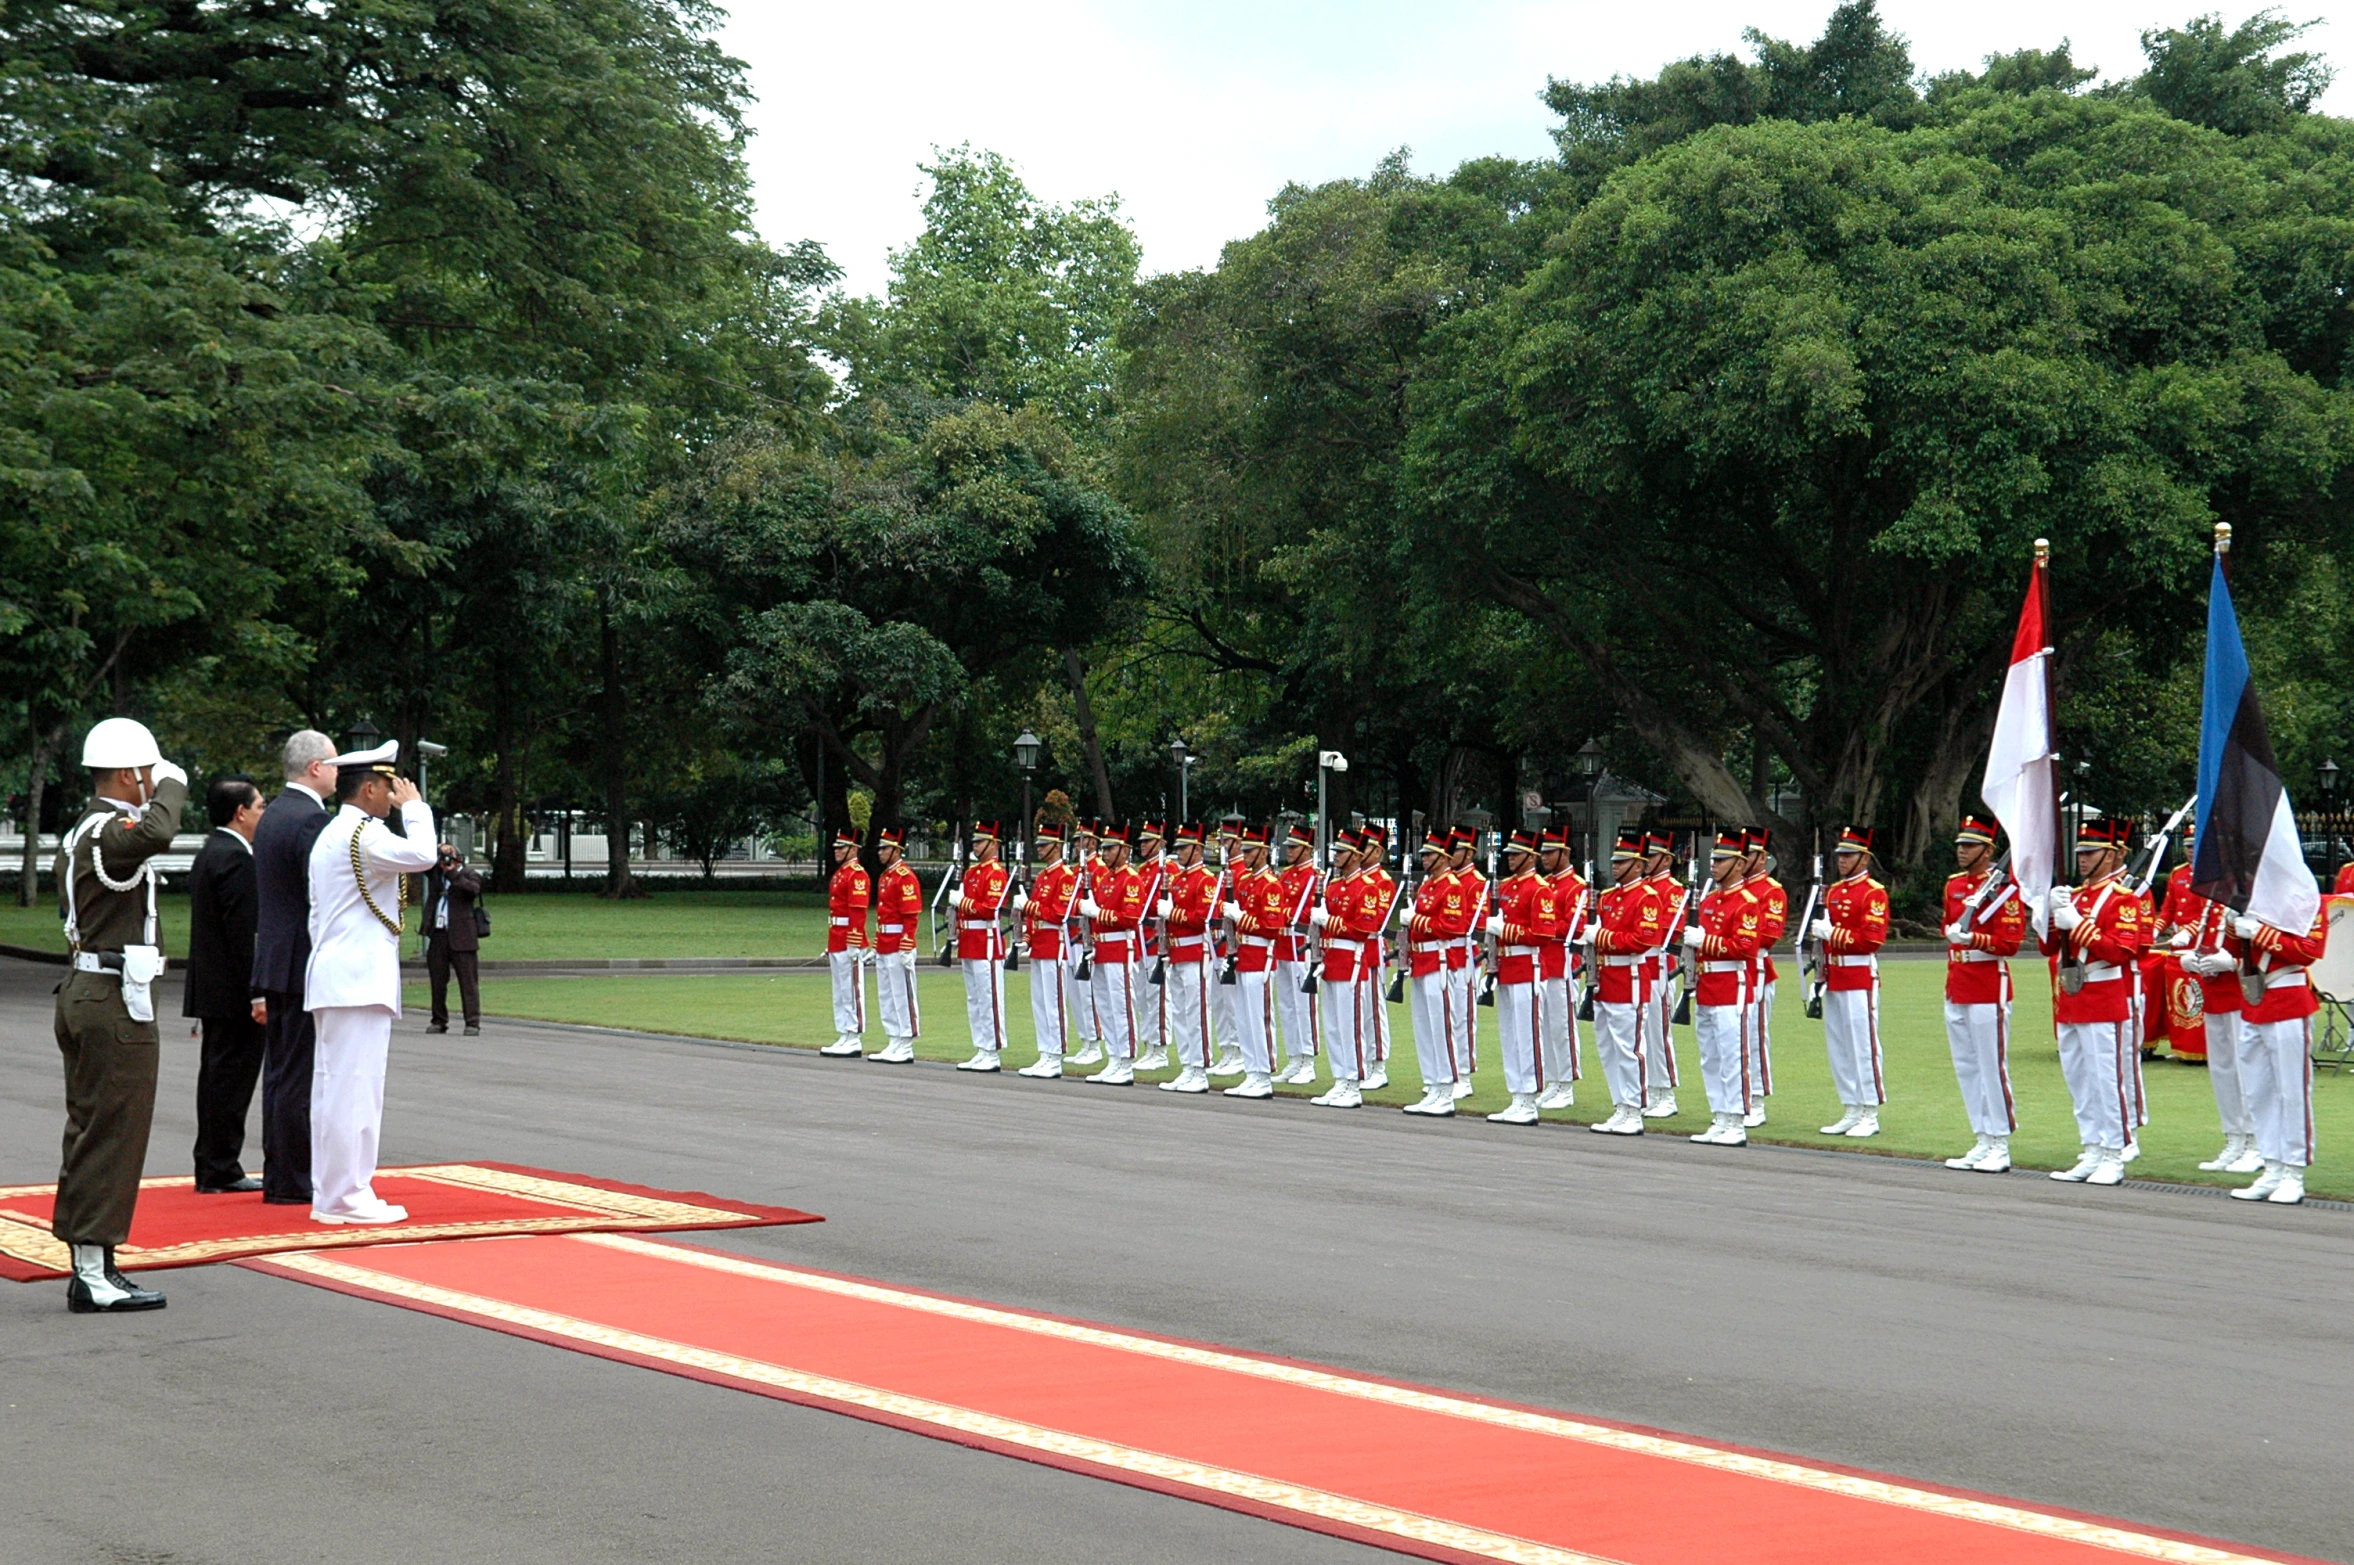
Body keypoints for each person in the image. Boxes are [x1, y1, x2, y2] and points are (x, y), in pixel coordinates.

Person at [51, 717, 187, 1312]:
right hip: (111, 1002)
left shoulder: (86, 828)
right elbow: (158, 831)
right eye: (148, 773)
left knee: (91, 1131)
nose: (151, 783)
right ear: (132, 772)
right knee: (113, 1134)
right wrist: (173, 781)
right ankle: (92, 1269)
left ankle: (92, 1262)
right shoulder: (110, 830)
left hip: (89, 990)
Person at [304, 740, 437, 1224]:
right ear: (368, 787)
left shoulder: (339, 833)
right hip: (354, 980)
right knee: (352, 1090)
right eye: (388, 788)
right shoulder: (362, 833)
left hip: (343, 978)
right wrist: (418, 808)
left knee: (342, 1089)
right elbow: (422, 854)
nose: (393, 798)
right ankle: (345, 1196)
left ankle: (338, 1191)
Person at [251, 729, 335, 1206]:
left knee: (280, 1072)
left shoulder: (276, 814)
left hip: (276, 955)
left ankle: (280, 1172)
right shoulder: (309, 820)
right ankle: (294, 1178)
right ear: (315, 768)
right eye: (335, 763)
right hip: (301, 955)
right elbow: (320, 894)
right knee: (299, 1074)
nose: (338, 772)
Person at [2041, 818, 2149, 1186]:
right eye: (2080, 853)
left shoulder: (2123, 899)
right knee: (2079, 1080)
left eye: (2090, 853)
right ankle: (2091, 1148)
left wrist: (2078, 924)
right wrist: (2050, 914)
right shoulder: (2075, 894)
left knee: (2107, 1080)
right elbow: (2047, 948)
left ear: (2110, 855)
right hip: (2071, 998)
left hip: (2103, 995)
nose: (2083, 859)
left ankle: (2114, 1153)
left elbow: (2122, 950)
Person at [2157, 825, 2259, 1173]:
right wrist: (2193, 954)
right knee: (2222, 1069)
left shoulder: (2250, 886)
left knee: (2247, 1069)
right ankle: (2234, 1137)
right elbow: (2204, 929)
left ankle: (2256, 1140)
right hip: (2215, 989)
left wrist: (2234, 961)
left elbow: (2266, 940)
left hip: (2241, 990)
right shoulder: (2216, 890)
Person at [184, 775, 267, 1194]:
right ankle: (221, 1165)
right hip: (235, 993)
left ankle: (213, 1162)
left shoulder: (211, 853)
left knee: (217, 1078)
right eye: (259, 807)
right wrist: (258, 992)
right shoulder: (236, 859)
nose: (262, 814)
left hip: (215, 988)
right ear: (240, 812)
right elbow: (244, 933)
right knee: (230, 1082)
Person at [2220, 895, 2325, 1205]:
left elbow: (2309, 951)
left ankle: (2294, 1172)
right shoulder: (2253, 900)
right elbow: (2233, 951)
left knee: (2292, 1092)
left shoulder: (2305, 899)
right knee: (2258, 1092)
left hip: (2289, 997)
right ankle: (2273, 1166)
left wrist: (2261, 933)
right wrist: (2230, 925)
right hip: (2254, 1002)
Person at [1939, 815, 2027, 1172]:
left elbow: (2010, 942)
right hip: (1958, 980)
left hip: (1988, 982)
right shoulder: (1955, 885)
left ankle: (2000, 1142)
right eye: (1960, 845)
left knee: (1992, 1066)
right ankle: (1982, 1137)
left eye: (1970, 846)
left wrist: (1973, 939)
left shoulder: (2005, 888)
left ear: (1988, 850)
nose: (1962, 851)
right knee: (1967, 1066)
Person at [1684, 829, 1764, 1146]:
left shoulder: (1746, 903)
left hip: (1732, 983)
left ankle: (1736, 1120)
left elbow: (1745, 947)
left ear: (1740, 864)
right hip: (1707, 984)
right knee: (1711, 1057)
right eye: (1713, 859)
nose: (1713, 865)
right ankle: (1720, 1115)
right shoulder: (1708, 901)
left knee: (1733, 1056)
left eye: (1721, 860)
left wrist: (1706, 941)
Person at [1812, 826, 1891, 1138]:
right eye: (1840, 855)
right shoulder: (1833, 891)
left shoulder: (1873, 892)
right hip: (1834, 974)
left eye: (1849, 855)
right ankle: (1851, 1106)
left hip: (1859, 975)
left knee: (1863, 1045)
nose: (1842, 860)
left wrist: (1832, 934)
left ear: (1864, 857)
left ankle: (1870, 1110)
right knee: (1839, 1047)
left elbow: (1871, 939)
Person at [1586, 828, 1663, 1135]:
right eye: (1615, 861)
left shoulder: (1647, 898)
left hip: (1628, 976)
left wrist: (1601, 936)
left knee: (1629, 1047)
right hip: (1605, 977)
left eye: (1623, 862)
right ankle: (1620, 1105)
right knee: (1608, 1047)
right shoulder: (1606, 897)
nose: (1615, 866)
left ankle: (1634, 1109)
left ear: (1640, 865)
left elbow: (1642, 940)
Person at [1484, 830, 1560, 1125]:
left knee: (1527, 1035)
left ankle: (1529, 1097)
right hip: (1505, 966)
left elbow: (1544, 933)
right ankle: (1516, 1094)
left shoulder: (1539, 889)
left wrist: (1505, 931)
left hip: (1528, 967)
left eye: (1516, 854)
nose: (1511, 859)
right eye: (1509, 855)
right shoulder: (1504, 887)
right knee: (1510, 1036)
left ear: (1532, 857)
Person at [1401, 828, 1468, 1116]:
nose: (1424, 858)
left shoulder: (1451, 886)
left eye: (1429, 854)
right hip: (1421, 961)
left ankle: (1446, 1089)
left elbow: (1451, 927)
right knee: (1425, 1029)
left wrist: (1415, 920)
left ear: (1443, 856)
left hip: (1439, 960)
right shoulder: (1427, 885)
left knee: (1442, 1028)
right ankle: (1432, 1085)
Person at [1156, 823, 1221, 1094]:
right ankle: (1187, 1066)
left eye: (1184, 847)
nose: (1179, 852)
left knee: (1197, 1012)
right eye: (1178, 847)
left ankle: (1200, 1068)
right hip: (1178, 951)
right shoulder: (1180, 879)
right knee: (1181, 1013)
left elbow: (1202, 919)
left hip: (1196, 951)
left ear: (1198, 849)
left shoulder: (1205, 880)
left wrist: (1172, 914)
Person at [1014, 822, 1081, 1078]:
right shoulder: (1043, 876)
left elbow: (1060, 914)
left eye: (1044, 845)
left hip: (1056, 944)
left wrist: (1029, 907)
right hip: (1041, 944)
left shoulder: (1064, 876)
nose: (1039, 849)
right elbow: (1037, 917)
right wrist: (1027, 938)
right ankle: (1045, 1052)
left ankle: (1055, 1054)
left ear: (1057, 846)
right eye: (1039, 844)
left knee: (1054, 1002)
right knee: (1040, 1002)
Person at [1308, 829, 1369, 1107]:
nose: (1336, 857)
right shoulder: (1332, 886)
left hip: (1351, 961)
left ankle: (1354, 1084)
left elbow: (1362, 929)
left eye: (1341, 852)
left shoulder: (1365, 887)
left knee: (1350, 1026)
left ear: (1356, 856)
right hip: (1332, 960)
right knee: (1332, 1026)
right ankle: (1340, 1079)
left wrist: (1327, 922)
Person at [1222, 825, 1284, 1099]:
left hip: (1261, 954)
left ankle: (1264, 1074)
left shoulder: (1270, 884)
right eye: (1243, 849)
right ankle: (1252, 1071)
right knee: (1244, 1019)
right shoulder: (1246, 881)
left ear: (1264, 852)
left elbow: (1272, 926)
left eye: (1250, 850)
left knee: (1260, 1017)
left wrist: (1239, 918)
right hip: (1244, 955)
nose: (1244, 854)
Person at [1081, 823, 1144, 1084]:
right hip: (1102, 948)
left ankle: (1126, 1061)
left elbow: (1130, 918)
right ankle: (1114, 1057)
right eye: (1104, 848)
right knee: (1105, 1006)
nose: (1104, 853)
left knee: (1121, 1005)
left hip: (1120, 946)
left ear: (1124, 850)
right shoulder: (1105, 879)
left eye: (1110, 848)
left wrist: (1097, 913)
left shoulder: (1131, 879)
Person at [950, 822, 1012, 1071]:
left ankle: (992, 1051)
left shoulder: (995, 873)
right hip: (969, 941)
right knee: (974, 998)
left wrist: (962, 902)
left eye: (980, 841)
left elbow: (990, 910)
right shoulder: (972, 873)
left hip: (986, 941)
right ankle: (981, 1047)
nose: (975, 845)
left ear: (993, 844)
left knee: (989, 997)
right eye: (974, 841)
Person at [1738, 829, 1786, 1127]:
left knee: (1755, 1037)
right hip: (1728, 969)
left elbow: (1769, 935)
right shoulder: (1731, 889)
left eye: (1750, 854)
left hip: (1755, 967)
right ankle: (1739, 1097)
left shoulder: (1770, 891)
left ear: (1762, 858)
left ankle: (1757, 1099)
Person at [1536, 828, 1586, 1111]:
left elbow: (1575, 928)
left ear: (1564, 853)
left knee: (1562, 1027)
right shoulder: (1548, 885)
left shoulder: (1576, 887)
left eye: (1549, 852)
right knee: (1545, 1027)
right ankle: (1553, 1081)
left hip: (1564, 963)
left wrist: (1542, 926)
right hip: (1544, 963)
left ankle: (1566, 1085)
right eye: (1542, 852)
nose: (1544, 858)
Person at [1638, 832, 1685, 1119]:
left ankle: (1665, 1093)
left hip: (1659, 965)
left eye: (1652, 856)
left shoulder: (1673, 890)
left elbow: (1666, 931)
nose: (1646, 862)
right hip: (1638, 966)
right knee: (1642, 1032)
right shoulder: (1641, 887)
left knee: (1659, 1032)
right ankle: (1651, 1090)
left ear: (1666, 859)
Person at [866, 828, 923, 1063]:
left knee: (903, 994)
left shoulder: (904, 876)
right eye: (880, 848)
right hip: (886, 942)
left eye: (885, 848)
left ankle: (906, 1042)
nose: (880, 852)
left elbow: (911, 915)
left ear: (897, 850)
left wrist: (907, 945)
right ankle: (894, 1038)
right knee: (886, 994)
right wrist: (877, 945)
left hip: (900, 943)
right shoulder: (886, 876)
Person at [1272, 823, 1321, 1085]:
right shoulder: (1286, 876)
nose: (1289, 851)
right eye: (1288, 846)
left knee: (1305, 1006)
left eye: (1294, 847)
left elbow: (1311, 913)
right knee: (1287, 1005)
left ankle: (1309, 1059)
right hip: (1283, 943)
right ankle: (1294, 1056)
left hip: (1302, 942)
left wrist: (1285, 915)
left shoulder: (1314, 877)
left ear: (1307, 849)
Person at [819, 827, 871, 1057]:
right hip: (837, 936)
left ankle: (854, 1034)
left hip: (848, 938)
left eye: (842, 847)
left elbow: (857, 912)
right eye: (836, 847)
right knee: (840, 990)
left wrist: (854, 941)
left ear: (854, 849)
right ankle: (844, 1032)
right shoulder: (842, 873)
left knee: (852, 989)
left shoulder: (857, 874)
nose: (837, 851)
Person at [422, 843, 484, 1035]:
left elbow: (473, 890)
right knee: (438, 981)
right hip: (439, 934)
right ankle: (439, 1020)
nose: (446, 859)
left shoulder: (468, 874)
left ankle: (472, 1022)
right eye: (443, 855)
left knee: (468, 982)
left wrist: (452, 873)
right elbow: (423, 864)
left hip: (462, 935)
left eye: (450, 855)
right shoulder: (436, 875)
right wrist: (435, 853)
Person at [1442, 829, 1485, 1099]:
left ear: (1469, 852)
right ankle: (1448, 1071)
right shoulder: (1447, 880)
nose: (1450, 855)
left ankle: (1465, 1076)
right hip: (1445, 952)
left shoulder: (1475, 882)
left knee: (1463, 1017)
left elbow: (1477, 925)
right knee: (1446, 1016)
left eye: (1456, 850)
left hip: (1465, 953)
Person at [1356, 825, 1397, 1091]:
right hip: (1354, 950)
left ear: (1378, 851)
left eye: (1366, 847)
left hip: (1371, 949)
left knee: (1373, 1009)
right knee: (1359, 1012)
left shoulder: (1381, 882)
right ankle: (1363, 1062)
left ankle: (1378, 1064)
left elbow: (1377, 920)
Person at [1131, 822, 1172, 1071]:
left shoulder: (1168, 869)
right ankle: (1149, 1046)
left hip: (1156, 939)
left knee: (1158, 997)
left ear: (1161, 843)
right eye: (1142, 842)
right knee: (1145, 998)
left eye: (1148, 841)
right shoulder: (1144, 871)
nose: (1143, 845)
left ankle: (1160, 1049)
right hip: (1141, 940)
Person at [1065, 820, 1106, 1069]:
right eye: (1076, 841)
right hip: (1072, 934)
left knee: (1089, 993)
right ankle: (1085, 1041)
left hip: (1088, 936)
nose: (1077, 844)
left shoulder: (1098, 869)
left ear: (1092, 842)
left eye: (1082, 840)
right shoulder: (1075, 870)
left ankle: (1094, 1042)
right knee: (1076, 994)